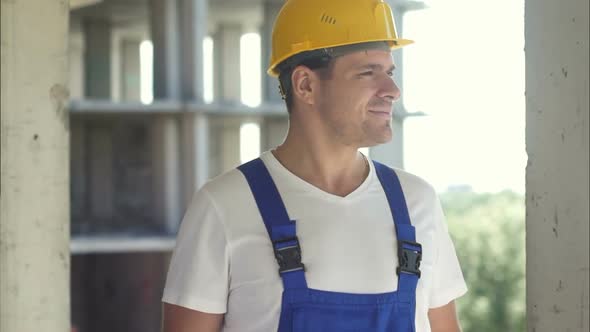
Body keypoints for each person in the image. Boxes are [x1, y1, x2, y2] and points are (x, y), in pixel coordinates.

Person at [161, 0, 467, 331]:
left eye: (389, 72)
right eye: (368, 73)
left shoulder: (416, 202)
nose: (393, 90)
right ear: (305, 85)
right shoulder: (224, 206)